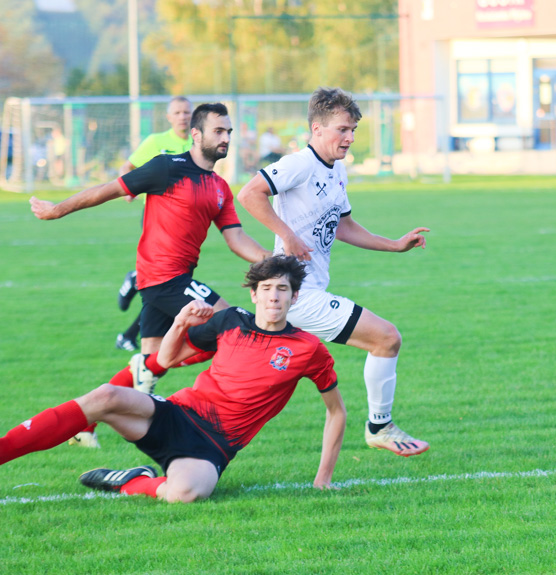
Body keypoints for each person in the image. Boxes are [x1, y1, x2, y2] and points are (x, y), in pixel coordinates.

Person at [0, 255, 347, 501]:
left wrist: (323, 479)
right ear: (254, 294)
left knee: (183, 494)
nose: (274, 296)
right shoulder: (230, 321)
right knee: (105, 396)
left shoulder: (308, 348)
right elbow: (165, 359)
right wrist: (180, 322)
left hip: (213, 445)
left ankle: (132, 480)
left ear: (294, 296)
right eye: (267, 288)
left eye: (283, 289)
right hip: (177, 414)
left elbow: (336, 412)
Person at [30, 103, 271, 448]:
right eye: (218, 131)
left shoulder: (219, 186)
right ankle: (202, 410)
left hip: (174, 278)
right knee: (233, 325)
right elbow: (108, 189)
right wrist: (57, 209)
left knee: (150, 361)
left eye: (229, 132)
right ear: (196, 134)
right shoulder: (166, 167)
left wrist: (276, 260)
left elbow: (236, 239)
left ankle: (85, 425)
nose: (225, 138)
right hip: (164, 278)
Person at [238, 87, 430, 457]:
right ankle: (380, 426)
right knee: (387, 337)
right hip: (298, 294)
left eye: (353, 130)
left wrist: (394, 244)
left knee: (249, 379)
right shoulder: (299, 164)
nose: (350, 137)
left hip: (304, 293)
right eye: (343, 129)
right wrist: (287, 235)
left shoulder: (337, 171)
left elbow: (344, 227)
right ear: (317, 128)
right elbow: (249, 194)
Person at [115, 96, 194, 353]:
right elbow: (129, 165)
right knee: (168, 284)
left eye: (186, 112)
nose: (183, 116)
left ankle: (128, 333)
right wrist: (130, 188)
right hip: (157, 219)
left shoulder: (198, 142)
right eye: (178, 112)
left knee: (168, 288)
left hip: (187, 222)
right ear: (169, 117)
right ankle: (137, 278)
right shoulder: (157, 143)